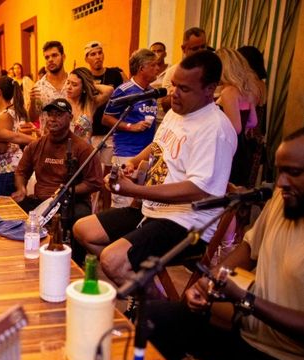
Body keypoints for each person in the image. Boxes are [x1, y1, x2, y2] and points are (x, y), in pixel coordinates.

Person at [73, 51, 237, 296]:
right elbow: (158, 146)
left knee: (112, 259)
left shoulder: (215, 128)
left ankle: (158, 310)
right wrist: (133, 162)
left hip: (186, 224)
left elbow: (198, 189)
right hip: (151, 208)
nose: (174, 93)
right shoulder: (176, 112)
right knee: (82, 230)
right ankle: (141, 285)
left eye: (184, 88)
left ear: (209, 89)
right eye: (173, 85)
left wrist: (136, 190)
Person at [147, 127, 304, 360]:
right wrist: (209, 284)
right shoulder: (281, 201)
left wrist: (246, 299)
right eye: (280, 171)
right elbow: (250, 247)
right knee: (155, 318)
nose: (281, 182)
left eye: (293, 173)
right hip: (245, 329)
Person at [13, 98, 103, 265]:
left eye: (59, 115)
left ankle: (77, 264)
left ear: (70, 117)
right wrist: (21, 189)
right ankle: (26, 258)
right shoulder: (36, 145)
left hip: (73, 201)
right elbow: (21, 171)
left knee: (80, 219)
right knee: (14, 214)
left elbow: (95, 182)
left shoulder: (82, 148)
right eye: (50, 114)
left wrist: (68, 190)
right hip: (41, 200)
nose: (52, 118)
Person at [102, 48, 160, 207]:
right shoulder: (124, 91)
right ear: (142, 68)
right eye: (153, 65)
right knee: (123, 203)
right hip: (126, 153)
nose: (158, 68)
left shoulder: (152, 92)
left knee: (140, 204)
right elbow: (106, 118)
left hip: (147, 155)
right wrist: (130, 126)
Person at [215, 47, 264, 187]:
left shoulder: (228, 92)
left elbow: (235, 128)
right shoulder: (247, 90)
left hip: (229, 150)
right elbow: (253, 121)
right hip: (243, 148)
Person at [84, 41, 127, 166]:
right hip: (91, 132)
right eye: (93, 54)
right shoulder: (84, 78)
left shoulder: (115, 74)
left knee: (108, 168)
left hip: (110, 132)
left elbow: (124, 97)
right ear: (86, 59)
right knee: (92, 169)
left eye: (100, 53)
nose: (97, 56)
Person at [0, 76, 28, 196]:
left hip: (6, 170)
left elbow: (2, 147)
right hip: (7, 169)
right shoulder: (9, 112)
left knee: (4, 210)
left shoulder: (5, 116)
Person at [161, 27, 208, 112]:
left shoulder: (213, 70)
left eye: (203, 47)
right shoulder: (172, 73)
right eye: (195, 49)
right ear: (183, 49)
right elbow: (167, 104)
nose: (200, 51)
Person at [65, 67, 114, 143]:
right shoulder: (63, 103)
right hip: (67, 149)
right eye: (68, 82)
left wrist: (89, 85)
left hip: (85, 149)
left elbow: (109, 90)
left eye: (74, 84)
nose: (68, 87)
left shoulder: (90, 103)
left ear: (83, 88)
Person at [29, 41, 69, 126]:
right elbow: (32, 118)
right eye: (47, 57)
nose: (50, 60)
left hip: (72, 137)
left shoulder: (73, 82)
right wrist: (32, 103)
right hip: (49, 137)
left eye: (54, 55)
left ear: (63, 57)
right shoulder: (38, 87)